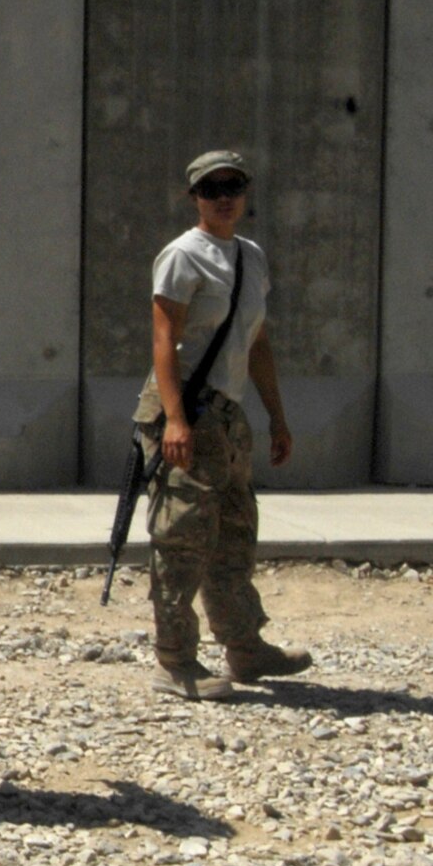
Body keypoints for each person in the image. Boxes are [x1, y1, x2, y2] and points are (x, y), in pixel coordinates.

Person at [136, 150, 310, 701]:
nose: (224, 197)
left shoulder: (251, 256)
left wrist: (276, 416)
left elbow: (257, 343)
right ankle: (175, 661)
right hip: (187, 410)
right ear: (195, 198)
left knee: (234, 533)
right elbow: (164, 339)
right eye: (212, 189)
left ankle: (244, 646)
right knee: (181, 538)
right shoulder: (182, 256)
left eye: (233, 186)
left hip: (228, 417)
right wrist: (175, 420)